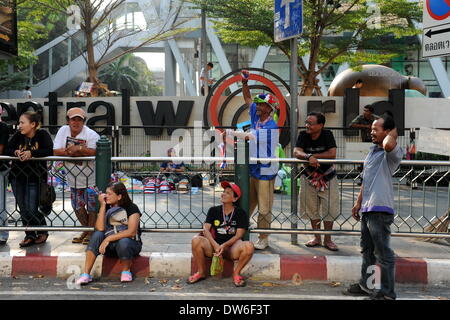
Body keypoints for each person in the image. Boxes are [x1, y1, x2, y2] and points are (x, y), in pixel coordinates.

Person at [343, 113, 402, 300]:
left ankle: (387, 293)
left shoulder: (391, 152)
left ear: (387, 131)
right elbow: (366, 179)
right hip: (368, 208)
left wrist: (392, 133)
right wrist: (358, 202)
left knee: (383, 252)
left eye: (376, 129)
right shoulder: (372, 152)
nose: (372, 132)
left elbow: (389, 144)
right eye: (371, 129)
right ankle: (367, 285)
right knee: (367, 250)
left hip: (380, 209)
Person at [225, 70, 279, 250]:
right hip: (254, 167)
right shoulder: (257, 114)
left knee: (264, 206)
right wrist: (245, 82)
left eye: (261, 104)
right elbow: (248, 99)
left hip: (266, 170)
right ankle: (241, 232)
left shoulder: (271, 126)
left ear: (269, 108)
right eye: (258, 104)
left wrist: (232, 133)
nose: (257, 106)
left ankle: (263, 238)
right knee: (247, 202)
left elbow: (250, 136)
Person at [187, 181, 254, 287]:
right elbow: (206, 229)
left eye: (228, 193)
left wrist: (224, 245)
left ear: (235, 199)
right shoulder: (213, 210)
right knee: (196, 240)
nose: (223, 194)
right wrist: (215, 245)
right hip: (214, 247)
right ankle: (201, 272)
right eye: (223, 191)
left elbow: (239, 235)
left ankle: (236, 273)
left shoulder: (240, 213)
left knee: (249, 246)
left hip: (231, 248)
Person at [76, 182, 142, 284]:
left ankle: (126, 271)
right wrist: (102, 206)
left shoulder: (131, 207)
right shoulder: (106, 207)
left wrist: (108, 239)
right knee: (97, 235)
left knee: (124, 242)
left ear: (119, 196)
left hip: (130, 245)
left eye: (110, 194)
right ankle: (86, 274)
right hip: (109, 247)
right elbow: (100, 228)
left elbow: (132, 232)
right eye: (106, 193)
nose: (106, 196)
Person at [5, 111, 53, 247]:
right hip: (16, 176)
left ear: (33, 124)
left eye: (22, 123)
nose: (19, 126)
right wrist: (15, 152)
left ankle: (42, 230)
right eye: (19, 123)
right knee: (23, 208)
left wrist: (32, 153)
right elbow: (7, 149)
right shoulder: (17, 136)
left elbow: (49, 150)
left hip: (35, 177)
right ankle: (30, 235)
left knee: (32, 208)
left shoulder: (42, 135)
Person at [293, 112, 339, 251]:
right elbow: (296, 152)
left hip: (328, 177)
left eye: (311, 123)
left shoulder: (327, 134)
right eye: (306, 122)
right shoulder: (303, 135)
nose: (307, 125)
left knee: (329, 208)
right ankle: (317, 237)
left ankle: (328, 239)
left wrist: (313, 157)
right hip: (308, 177)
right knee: (311, 208)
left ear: (320, 125)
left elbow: (332, 154)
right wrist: (308, 157)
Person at [53, 107, 100, 245]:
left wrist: (78, 148)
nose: (76, 122)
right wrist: (73, 152)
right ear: (68, 120)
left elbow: (94, 152)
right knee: (77, 207)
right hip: (73, 178)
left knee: (92, 207)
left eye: (80, 119)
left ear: (84, 121)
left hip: (91, 178)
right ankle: (87, 230)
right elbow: (56, 151)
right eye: (73, 119)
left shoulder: (91, 134)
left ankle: (91, 233)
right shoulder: (63, 130)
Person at [0, 106, 9, 245]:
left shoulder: (2, 127)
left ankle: (2, 233)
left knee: (0, 202)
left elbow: (1, 148)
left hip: (0, 168)